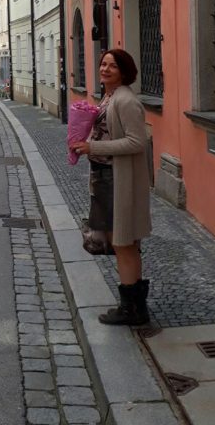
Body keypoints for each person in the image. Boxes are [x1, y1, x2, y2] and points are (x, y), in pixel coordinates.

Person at [70, 49, 152, 326]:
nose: (105, 69)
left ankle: (133, 310)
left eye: (112, 66)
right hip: (106, 176)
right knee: (122, 243)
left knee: (124, 243)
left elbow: (137, 142)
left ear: (124, 71)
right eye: (103, 63)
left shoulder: (126, 100)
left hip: (119, 180)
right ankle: (134, 304)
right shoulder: (110, 96)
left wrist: (94, 146)